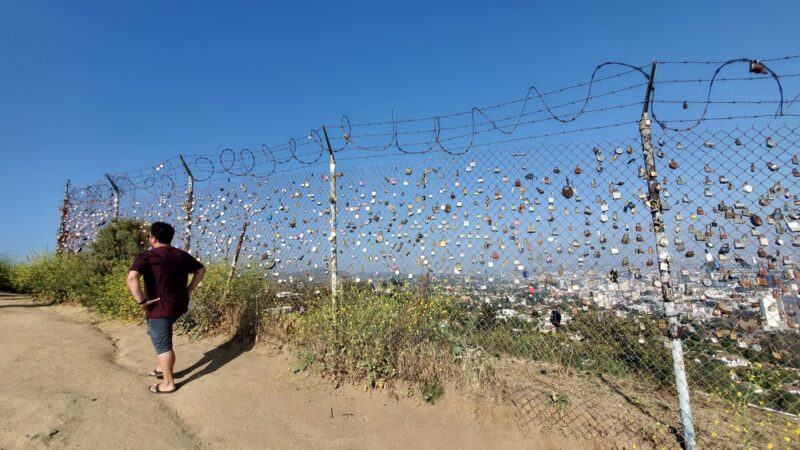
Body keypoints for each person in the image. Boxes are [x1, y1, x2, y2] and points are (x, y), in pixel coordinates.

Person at [127, 222, 205, 394]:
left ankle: (168, 383)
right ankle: (163, 368)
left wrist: (141, 302)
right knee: (160, 335)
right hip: (178, 305)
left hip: (159, 307)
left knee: (163, 344)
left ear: (153, 238)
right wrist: (188, 290)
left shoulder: (147, 256)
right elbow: (201, 270)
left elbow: (132, 278)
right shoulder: (181, 255)